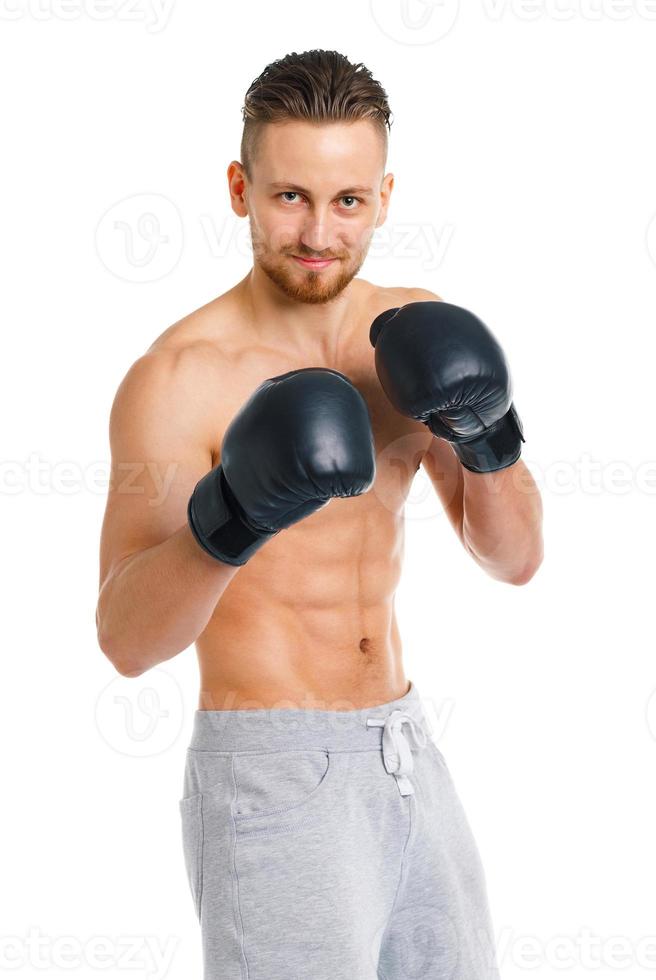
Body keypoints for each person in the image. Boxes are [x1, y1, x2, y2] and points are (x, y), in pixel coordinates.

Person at [96, 48, 543, 980]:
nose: (317, 232)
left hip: (408, 750)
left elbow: (516, 560)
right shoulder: (178, 379)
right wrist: (239, 514)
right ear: (239, 189)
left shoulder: (415, 337)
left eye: (346, 201)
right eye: (288, 195)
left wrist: (490, 437)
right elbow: (127, 641)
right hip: (271, 772)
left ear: (382, 196)